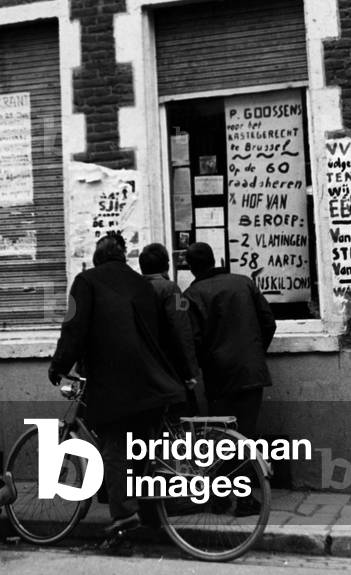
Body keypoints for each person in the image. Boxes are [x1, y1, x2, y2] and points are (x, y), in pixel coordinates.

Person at [49, 235, 186, 548]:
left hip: (114, 382)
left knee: (114, 448)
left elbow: (73, 328)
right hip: (153, 382)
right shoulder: (142, 285)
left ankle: (124, 517)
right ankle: (148, 515)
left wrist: (59, 366)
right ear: (123, 257)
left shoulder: (86, 282)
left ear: (98, 258)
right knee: (141, 451)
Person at [184, 242, 276, 439]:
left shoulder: (191, 295)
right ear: (213, 259)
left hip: (219, 376)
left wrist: (199, 367)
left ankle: (236, 470)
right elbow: (268, 322)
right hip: (251, 372)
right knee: (245, 435)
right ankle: (251, 469)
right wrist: (255, 353)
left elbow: (194, 340)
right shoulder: (244, 282)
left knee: (222, 438)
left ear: (191, 267)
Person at [138, 242, 200, 393]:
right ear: (166, 265)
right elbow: (181, 327)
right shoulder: (172, 289)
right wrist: (190, 371)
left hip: (144, 367)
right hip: (170, 366)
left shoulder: (134, 288)